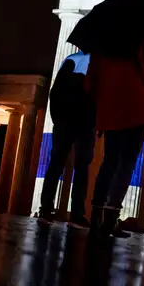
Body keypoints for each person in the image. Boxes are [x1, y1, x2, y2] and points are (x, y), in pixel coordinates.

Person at [85, 34, 144, 238]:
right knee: (126, 164)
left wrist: (99, 108)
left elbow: (91, 83)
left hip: (112, 110)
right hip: (138, 111)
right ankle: (111, 218)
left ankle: (96, 215)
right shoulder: (141, 42)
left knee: (109, 161)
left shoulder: (102, 46)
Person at [38, 52, 96, 229]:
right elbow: (96, 98)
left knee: (56, 163)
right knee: (81, 168)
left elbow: (55, 93)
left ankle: (46, 209)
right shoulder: (96, 65)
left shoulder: (71, 60)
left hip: (65, 121)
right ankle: (76, 214)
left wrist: (57, 118)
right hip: (83, 124)